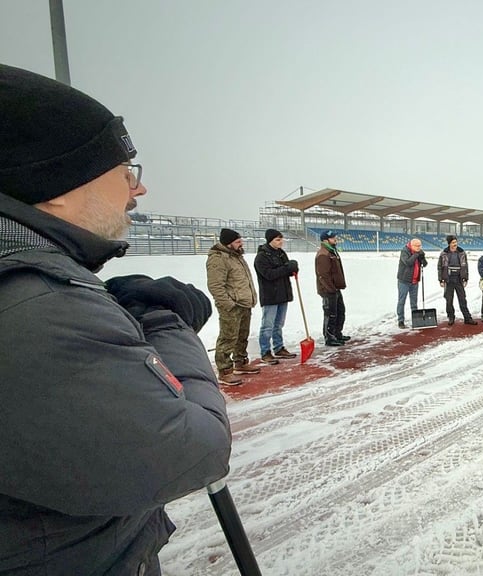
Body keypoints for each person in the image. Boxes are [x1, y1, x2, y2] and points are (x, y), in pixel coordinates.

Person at [0, 64, 231, 574]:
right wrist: (165, 321)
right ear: (54, 185)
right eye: (125, 171)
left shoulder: (40, 288)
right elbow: (195, 447)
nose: (137, 189)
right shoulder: (39, 306)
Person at [207, 227, 260, 382]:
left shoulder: (236, 256)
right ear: (228, 243)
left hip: (244, 303)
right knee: (228, 337)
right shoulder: (218, 258)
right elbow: (216, 285)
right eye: (237, 241)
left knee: (242, 336)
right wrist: (229, 304)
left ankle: (241, 362)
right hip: (231, 305)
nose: (241, 243)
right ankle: (224, 370)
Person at [253, 228, 299, 364]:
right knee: (268, 325)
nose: (281, 242)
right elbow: (269, 274)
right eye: (278, 240)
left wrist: (293, 268)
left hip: (283, 293)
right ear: (270, 241)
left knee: (279, 324)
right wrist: (287, 268)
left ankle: (278, 347)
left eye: (281, 239)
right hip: (270, 295)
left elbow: (286, 270)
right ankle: (265, 351)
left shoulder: (280, 253)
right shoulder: (261, 257)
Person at [315, 230, 350, 345]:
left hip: (335, 288)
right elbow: (323, 275)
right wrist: (331, 289)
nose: (335, 239)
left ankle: (337, 333)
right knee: (331, 313)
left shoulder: (331, 251)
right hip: (328, 290)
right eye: (333, 238)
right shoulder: (323, 254)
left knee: (340, 311)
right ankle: (329, 337)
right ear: (326, 240)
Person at [437, 235, 478, 326]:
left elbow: (465, 266)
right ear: (449, 243)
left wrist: (466, 278)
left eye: (456, 242)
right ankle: (451, 317)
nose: (455, 244)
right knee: (449, 299)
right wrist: (441, 279)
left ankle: (467, 318)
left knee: (462, 299)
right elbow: (440, 267)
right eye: (453, 242)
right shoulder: (444, 253)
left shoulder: (462, 252)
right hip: (448, 279)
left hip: (459, 278)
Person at [397, 237, 428, 328]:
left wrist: (422, 257)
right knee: (401, 301)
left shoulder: (418, 252)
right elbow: (408, 262)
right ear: (412, 245)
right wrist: (416, 255)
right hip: (404, 281)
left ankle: (416, 320)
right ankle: (401, 321)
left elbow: (425, 264)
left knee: (414, 303)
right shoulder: (404, 251)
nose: (419, 248)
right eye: (417, 246)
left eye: (420, 246)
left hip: (415, 281)